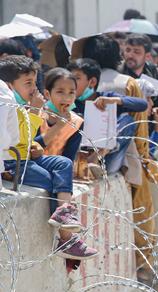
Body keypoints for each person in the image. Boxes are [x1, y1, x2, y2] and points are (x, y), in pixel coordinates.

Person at [81, 34, 158, 279]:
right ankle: (143, 271)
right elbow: (139, 128)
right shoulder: (127, 83)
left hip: (89, 159)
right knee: (142, 221)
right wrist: (145, 160)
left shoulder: (82, 79)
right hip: (126, 161)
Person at [0, 55, 97, 259]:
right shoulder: (8, 105)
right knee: (48, 180)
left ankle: (63, 212)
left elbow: (27, 140)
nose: (33, 89)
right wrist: (35, 112)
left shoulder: (22, 107)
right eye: (28, 83)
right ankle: (66, 237)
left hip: (27, 156)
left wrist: (35, 144)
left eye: (34, 82)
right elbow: (14, 140)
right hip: (13, 162)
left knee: (63, 163)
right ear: (10, 85)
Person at [67, 58, 148, 177]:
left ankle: (98, 155)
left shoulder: (106, 98)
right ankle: (89, 160)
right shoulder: (71, 103)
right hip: (77, 158)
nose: (72, 83)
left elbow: (142, 105)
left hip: (106, 161)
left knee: (128, 121)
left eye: (77, 78)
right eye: (71, 78)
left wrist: (115, 100)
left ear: (92, 82)